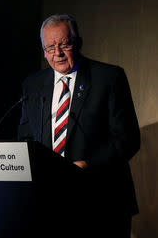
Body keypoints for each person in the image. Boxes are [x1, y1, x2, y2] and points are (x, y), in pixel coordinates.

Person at [18, 14, 140, 237]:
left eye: (64, 44)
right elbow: (26, 138)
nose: (58, 53)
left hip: (101, 200)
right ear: (44, 51)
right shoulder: (33, 85)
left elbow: (128, 139)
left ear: (78, 43)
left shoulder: (109, 78)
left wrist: (87, 164)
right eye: (50, 47)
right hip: (50, 202)